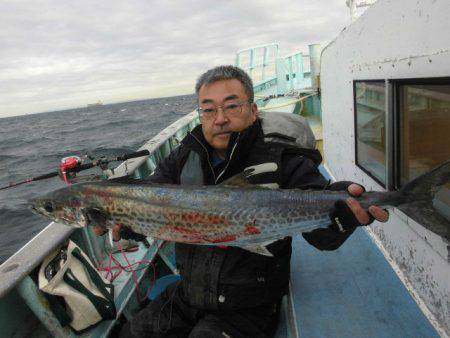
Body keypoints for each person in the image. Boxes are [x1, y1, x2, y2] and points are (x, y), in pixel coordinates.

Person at [95, 65, 388, 337]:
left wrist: (340, 216)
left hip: (248, 305)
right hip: (189, 293)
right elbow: (151, 205)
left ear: (253, 110)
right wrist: (126, 223)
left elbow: (322, 238)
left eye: (231, 106)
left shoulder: (285, 160)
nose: (220, 118)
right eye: (208, 110)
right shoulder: (183, 157)